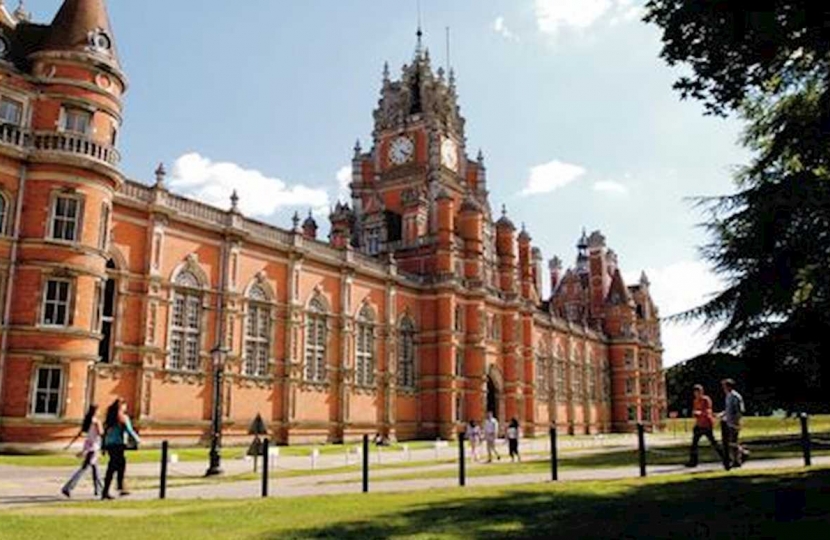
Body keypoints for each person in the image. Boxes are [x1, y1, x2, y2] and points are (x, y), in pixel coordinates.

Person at [101, 398, 141, 500]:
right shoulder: (123, 417)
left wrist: (103, 446)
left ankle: (117, 488)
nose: (126, 408)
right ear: (121, 406)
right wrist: (138, 440)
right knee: (116, 466)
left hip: (110, 445)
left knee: (116, 466)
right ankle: (114, 489)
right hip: (118, 445)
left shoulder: (110, 418)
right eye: (125, 405)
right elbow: (129, 430)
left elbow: (104, 433)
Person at [61, 404, 103, 498]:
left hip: (89, 446)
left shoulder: (88, 421)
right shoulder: (96, 421)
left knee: (95, 469)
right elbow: (101, 433)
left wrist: (70, 444)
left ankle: (99, 489)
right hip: (94, 447)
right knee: (84, 469)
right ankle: (68, 487)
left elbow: (80, 434)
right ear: (96, 411)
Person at [684, 385, 723, 468]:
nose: (697, 394)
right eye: (695, 392)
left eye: (698, 392)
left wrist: (700, 413)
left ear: (701, 392)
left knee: (713, 442)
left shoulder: (706, 399)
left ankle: (725, 458)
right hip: (699, 424)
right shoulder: (695, 401)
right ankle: (693, 462)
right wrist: (694, 414)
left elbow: (708, 411)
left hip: (706, 424)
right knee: (694, 444)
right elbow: (695, 411)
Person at [721, 379, 749, 468]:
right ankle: (738, 458)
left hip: (734, 423)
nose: (723, 388)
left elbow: (739, 410)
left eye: (724, 386)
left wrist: (737, 422)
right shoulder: (728, 396)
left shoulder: (735, 396)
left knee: (733, 442)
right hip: (728, 422)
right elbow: (728, 409)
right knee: (731, 443)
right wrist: (722, 414)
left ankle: (741, 456)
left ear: (729, 386)